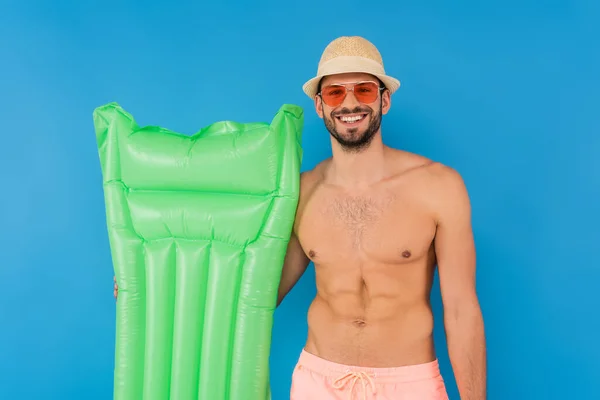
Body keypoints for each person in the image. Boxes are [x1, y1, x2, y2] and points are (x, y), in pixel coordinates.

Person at [115, 36, 487, 400]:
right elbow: (257, 293)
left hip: (408, 383)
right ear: (319, 106)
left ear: (385, 100)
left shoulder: (439, 188)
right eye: (335, 93)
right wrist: (149, 283)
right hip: (319, 381)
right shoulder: (299, 193)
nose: (350, 103)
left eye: (364, 90)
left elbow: (461, 311)